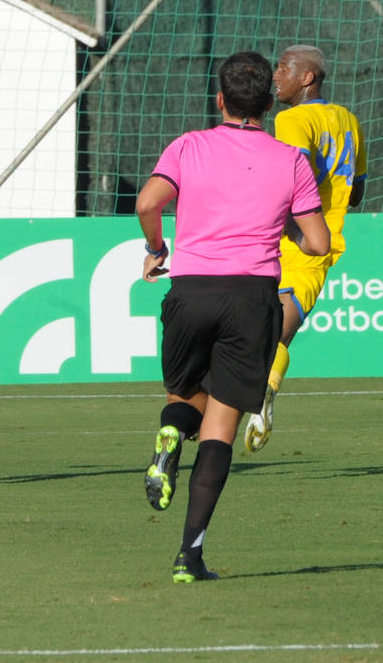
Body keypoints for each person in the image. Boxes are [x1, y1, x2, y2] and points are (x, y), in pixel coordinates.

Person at [135, 51, 329, 583]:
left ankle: (169, 439)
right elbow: (318, 242)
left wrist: (157, 247)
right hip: (252, 298)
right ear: (268, 104)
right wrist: (283, 228)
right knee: (220, 427)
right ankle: (188, 556)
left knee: (183, 400)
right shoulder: (291, 160)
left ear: (220, 100)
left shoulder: (188, 145)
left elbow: (148, 202)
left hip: (191, 290)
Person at [244, 44, 367, 451]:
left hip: (288, 239)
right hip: (320, 244)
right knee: (272, 334)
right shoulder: (348, 120)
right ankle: (263, 391)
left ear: (307, 78)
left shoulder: (292, 119)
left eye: (283, 68)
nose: (275, 76)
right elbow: (357, 193)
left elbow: (291, 177)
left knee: (260, 335)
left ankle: (254, 392)